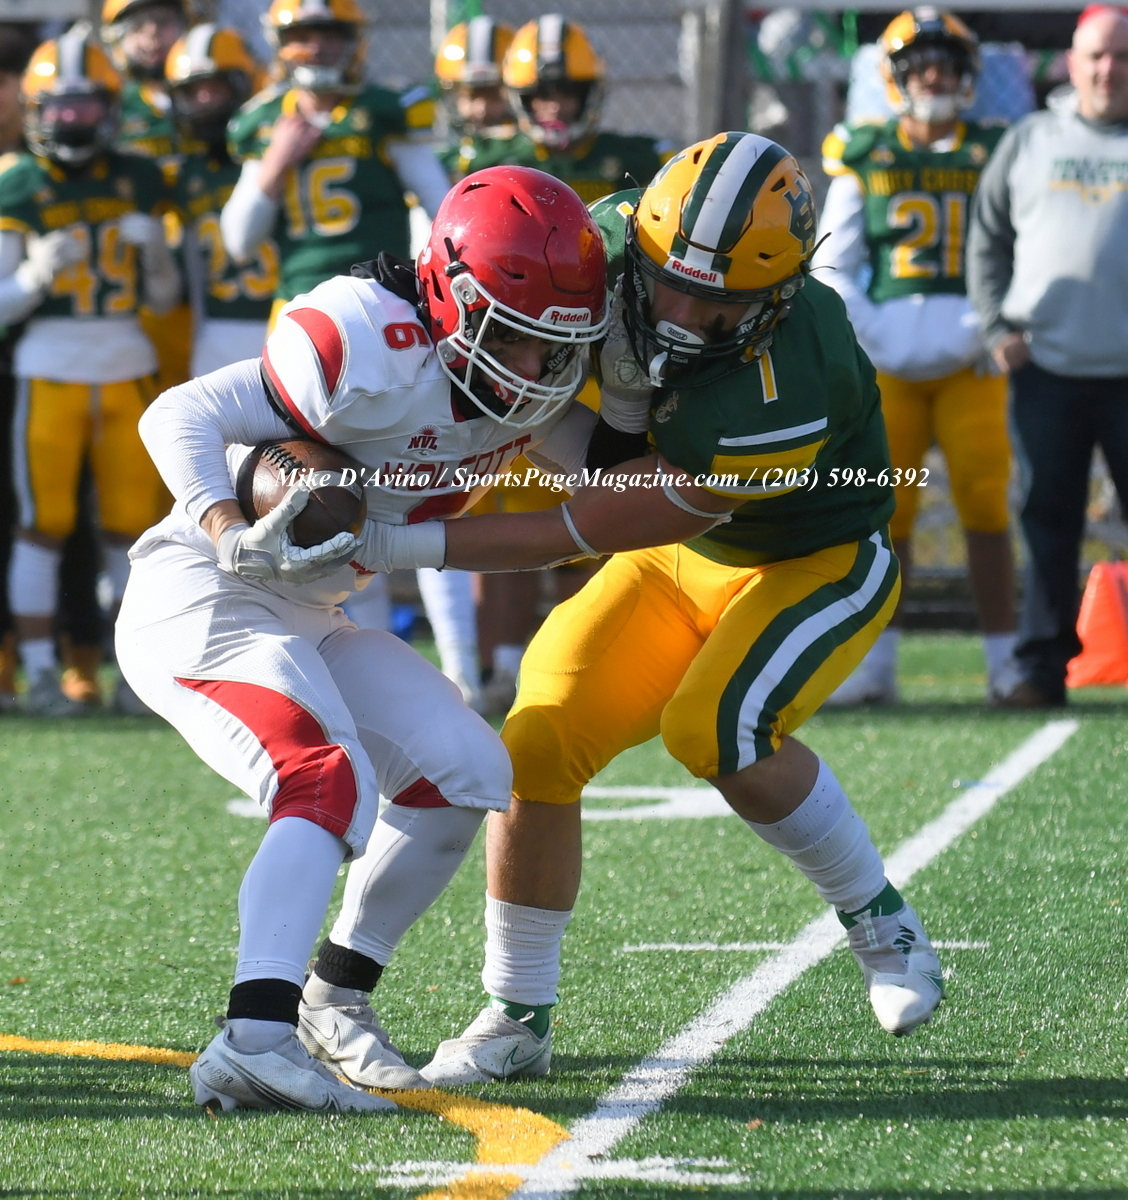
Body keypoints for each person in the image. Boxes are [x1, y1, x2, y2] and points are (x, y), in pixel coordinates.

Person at [292, 132, 947, 1089]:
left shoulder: (786, 377)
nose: (679, 315)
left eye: (715, 306)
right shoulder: (602, 246)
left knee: (719, 729)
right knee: (536, 743)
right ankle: (518, 1013)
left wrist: (400, 542)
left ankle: (884, 926)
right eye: (667, 282)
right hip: (680, 559)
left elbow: (588, 519)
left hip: (814, 556)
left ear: (776, 296)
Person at [115, 166, 611, 1110]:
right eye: (516, 333)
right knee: (320, 775)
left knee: (466, 766)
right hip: (207, 593)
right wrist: (226, 525)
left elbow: (606, 493)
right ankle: (254, 1038)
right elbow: (177, 412)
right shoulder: (368, 345)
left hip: (315, 610)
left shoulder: (534, 385)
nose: (537, 365)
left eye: (560, 343)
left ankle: (333, 998)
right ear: (450, 297)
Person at [816, 9, 1020, 706]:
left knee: (986, 501)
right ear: (895, 78)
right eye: (921, 65)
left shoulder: (995, 150)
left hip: (972, 359)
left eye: (946, 65)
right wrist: (870, 328)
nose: (934, 76)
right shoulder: (865, 150)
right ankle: (876, 665)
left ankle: (1005, 662)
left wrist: (986, 323)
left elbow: (1020, 244)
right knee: (885, 511)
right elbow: (832, 261)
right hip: (888, 367)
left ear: (968, 76)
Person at [0, 28, 178, 716]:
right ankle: (42, 672)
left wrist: (156, 258)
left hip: (128, 361)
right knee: (43, 524)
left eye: (85, 106)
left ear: (111, 108)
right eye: (59, 107)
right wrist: (35, 278)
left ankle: (135, 675)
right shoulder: (18, 181)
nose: (72, 120)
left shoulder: (138, 176)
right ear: (36, 110)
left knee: (133, 528)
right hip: (49, 368)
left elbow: (164, 298)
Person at [967, 5, 1128, 707]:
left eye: (1123, 56)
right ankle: (1040, 671)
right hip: (1047, 369)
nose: (1109, 69)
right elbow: (986, 236)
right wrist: (994, 325)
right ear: (1071, 61)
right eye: (1096, 55)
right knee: (1046, 523)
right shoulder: (1029, 140)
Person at [164, 24, 275, 376]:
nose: (205, 103)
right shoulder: (187, 173)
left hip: (281, 312)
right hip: (218, 324)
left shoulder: (272, 152)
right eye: (193, 93)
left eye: (215, 89)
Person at [102, 0, 195, 398]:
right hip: (142, 257)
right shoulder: (112, 101)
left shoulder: (211, 87)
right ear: (116, 37)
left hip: (208, 248)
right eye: (139, 26)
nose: (152, 36)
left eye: (163, 22)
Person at [434, 14, 517, 180]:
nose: (482, 108)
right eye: (471, 96)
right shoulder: (445, 158)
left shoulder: (530, 154)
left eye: (493, 96)